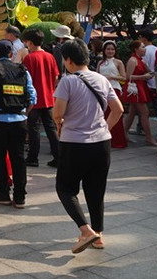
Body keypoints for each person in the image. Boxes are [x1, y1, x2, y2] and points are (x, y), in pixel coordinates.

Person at [53, 39, 124, 253]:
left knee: (65, 189)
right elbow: (118, 109)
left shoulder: (67, 81)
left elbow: (58, 113)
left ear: (68, 60)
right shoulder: (102, 79)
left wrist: (59, 121)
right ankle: (99, 235)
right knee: (96, 190)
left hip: (74, 143)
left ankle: (86, 231)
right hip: (102, 143)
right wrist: (106, 128)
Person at [0, 40, 36, 208]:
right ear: (12, 54)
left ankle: (3, 192)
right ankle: (20, 197)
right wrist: (23, 115)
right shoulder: (22, 70)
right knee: (18, 158)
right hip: (19, 121)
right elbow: (33, 97)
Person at [22, 29, 60, 168]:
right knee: (51, 129)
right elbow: (56, 77)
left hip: (34, 100)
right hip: (49, 98)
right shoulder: (50, 57)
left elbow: (26, 80)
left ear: (30, 42)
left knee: (33, 129)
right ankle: (58, 156)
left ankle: (33, 157)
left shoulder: (29, 58)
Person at [122, 41, 157, 146]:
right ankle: (149, 137)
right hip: (136, 88)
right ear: (136, 49)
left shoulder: (141, 60)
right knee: (144, 112)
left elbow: (149, 72)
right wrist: (143, 77)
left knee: (132, 112)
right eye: (142, 47)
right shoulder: (133, 60)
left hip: (140, 87)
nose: (145, 49)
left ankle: (124, 133)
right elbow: (128, 77)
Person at [95, 40, 128, 148]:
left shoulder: (118, 62)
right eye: (108, 49)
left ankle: (118, 140)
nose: (110, 51)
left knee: (115, 114)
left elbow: (124, 77)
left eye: (112, 49)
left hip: (114, 89)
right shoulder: (100, 62)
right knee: (103, 115)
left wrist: (111, 77)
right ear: (104, 50)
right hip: (102, 90)